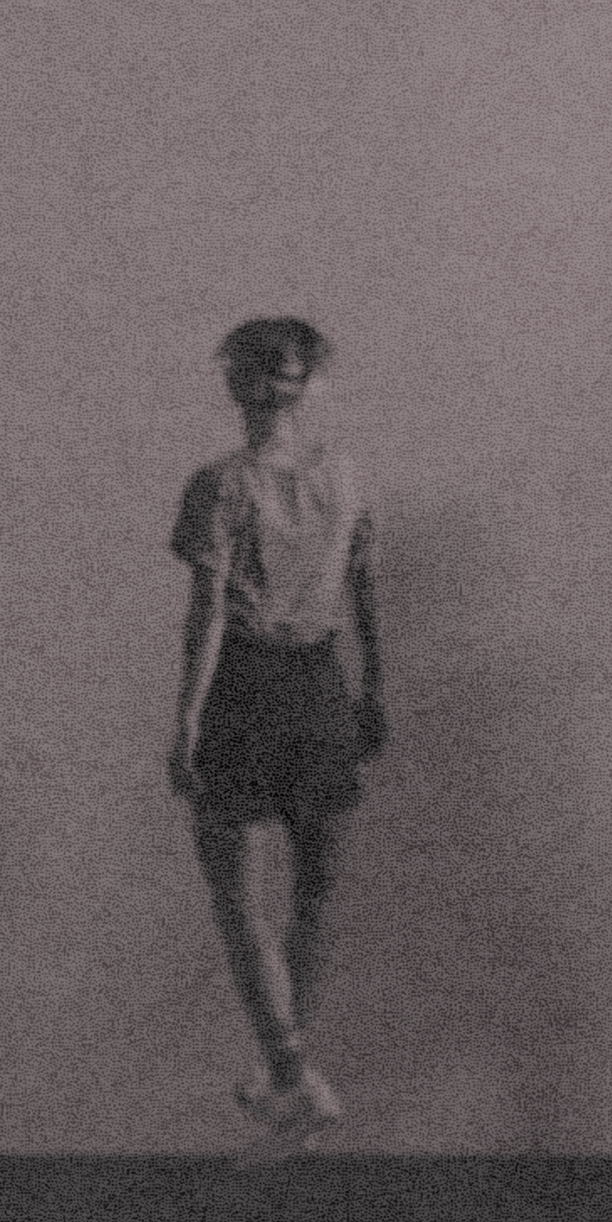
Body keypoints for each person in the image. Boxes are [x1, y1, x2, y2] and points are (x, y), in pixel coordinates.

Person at [168, 317, 387, 1154]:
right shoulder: (344, 474)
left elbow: (208, 616)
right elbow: (365, 592)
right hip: (321, 680)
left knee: (237, 894)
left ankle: (291, 1071)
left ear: (238, 384)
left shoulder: (221, 486)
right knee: (313, 891)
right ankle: (287, 1069)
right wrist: (374, 688)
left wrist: (186, 718)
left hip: (248, 686)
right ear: (307, 386)